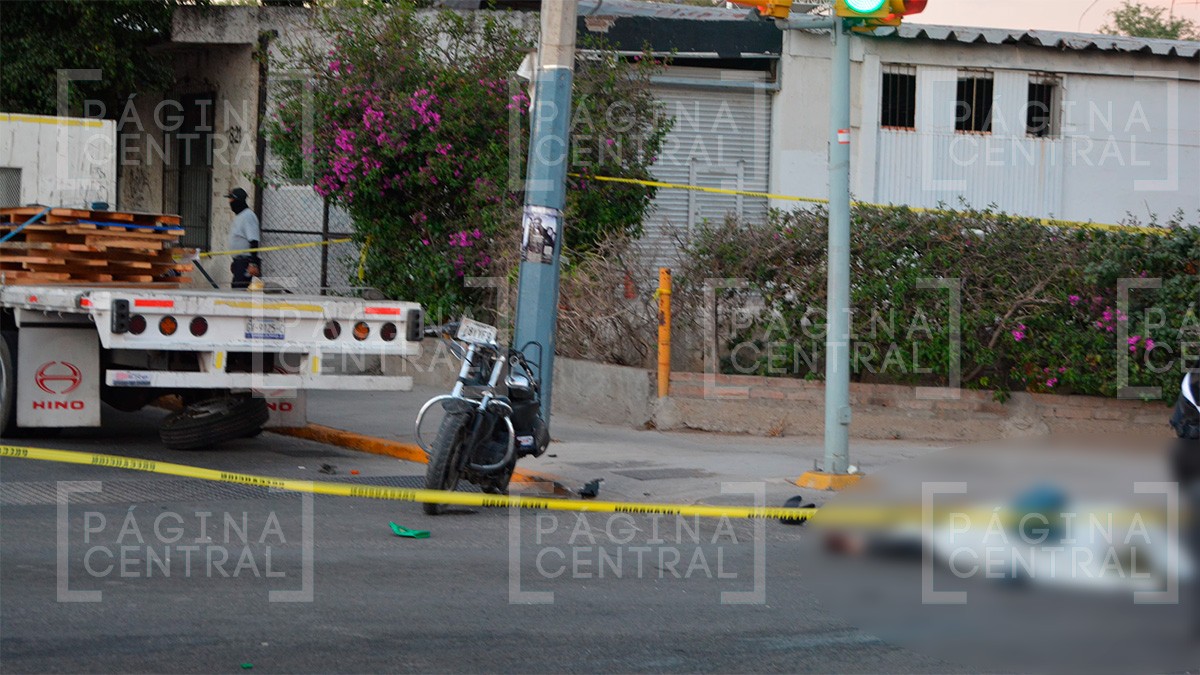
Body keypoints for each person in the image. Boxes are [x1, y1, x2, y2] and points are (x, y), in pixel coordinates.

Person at [225, 187, 262, 289]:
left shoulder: (248, 216)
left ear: (238, 200)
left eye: (231, 199)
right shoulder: (240, 216)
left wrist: (253, 264)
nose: (229, 202)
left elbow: (254, 241)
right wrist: (235, 261)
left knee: (240, 290)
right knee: (236, 288)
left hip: (246, 262)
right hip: (240, 261)